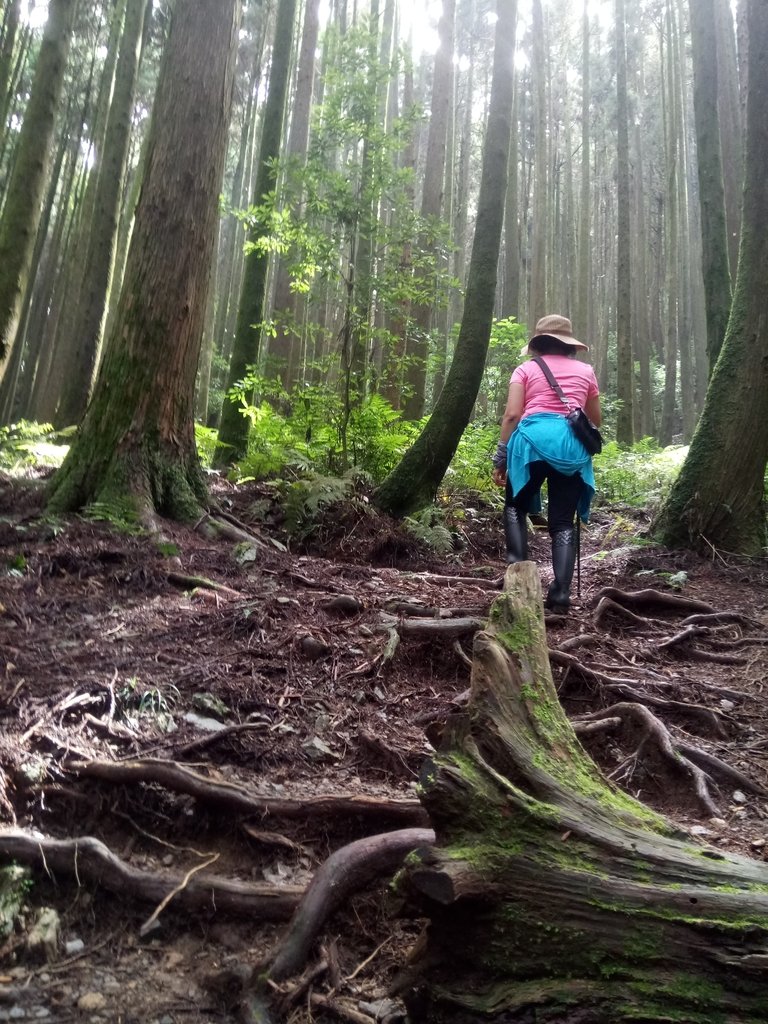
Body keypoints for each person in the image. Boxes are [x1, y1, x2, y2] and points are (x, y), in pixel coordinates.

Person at [491, 314, 602, 614]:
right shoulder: (586, 371)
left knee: (515, 507)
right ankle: (561, 595)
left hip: (529, 445)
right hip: (571, 448)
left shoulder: (525, 369)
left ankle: (517, 580)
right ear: (568, 344)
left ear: (538, 343)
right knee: (563, 522)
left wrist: (501, 455)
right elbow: (595, 419)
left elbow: (513, 415)